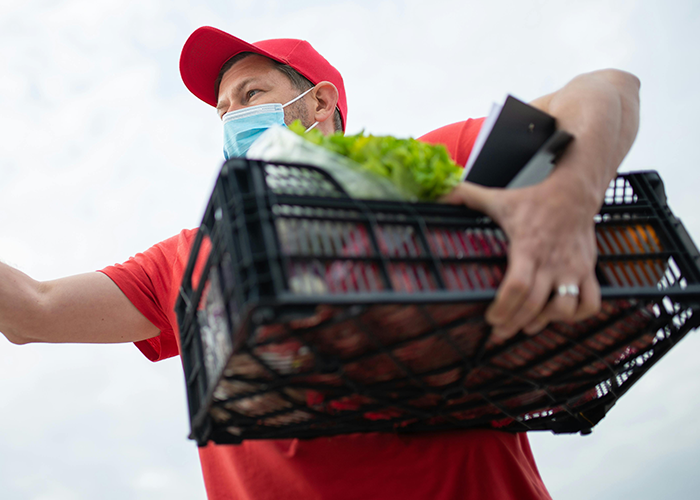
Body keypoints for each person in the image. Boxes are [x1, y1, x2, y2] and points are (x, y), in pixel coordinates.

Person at [0, 25, 640, 500]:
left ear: (320, 105)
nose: (232, 119)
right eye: (223, 111)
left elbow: (609, 91)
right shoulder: (190, 258)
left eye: (251, 93)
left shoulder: (421, 167)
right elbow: (33, 310)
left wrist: (567, 202)